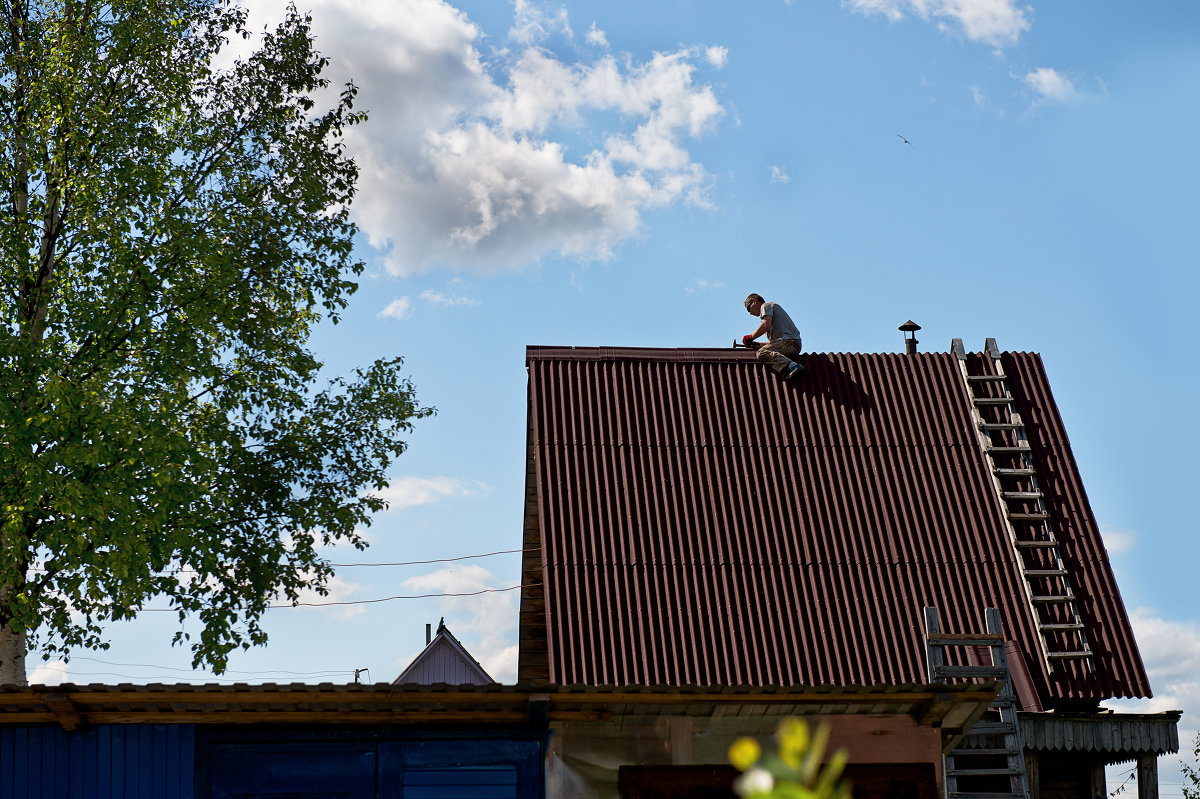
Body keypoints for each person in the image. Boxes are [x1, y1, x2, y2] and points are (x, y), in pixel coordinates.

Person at [742, 293, 805, 380]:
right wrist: (757, 344)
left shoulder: (766, 306)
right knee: (763, 350)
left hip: (791, 343)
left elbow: (765, 325)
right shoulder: (771, 318)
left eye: (749, 309)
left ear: (754, 301)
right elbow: (775, 343)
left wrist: (750, 337)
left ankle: (793, 366)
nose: (750, 313)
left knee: (761, 353)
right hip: (789, 344)